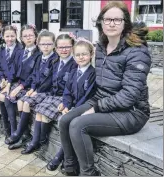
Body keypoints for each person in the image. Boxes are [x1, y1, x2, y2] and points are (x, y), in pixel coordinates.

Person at [58, 1, 151, 176]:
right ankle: (70, 166)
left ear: (125, 23)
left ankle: (88, 173)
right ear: (101, 22)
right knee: (65, 120)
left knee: (78, 125)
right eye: (107, 19)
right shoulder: (101, 46)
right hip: (103, 99)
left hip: (131, 112)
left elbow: (128, 96)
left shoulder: (137, 51)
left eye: (117, 19)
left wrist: (95, 109)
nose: (111, 23)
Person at [20, 34, 77, 154]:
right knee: (39, 111)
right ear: (56, 48)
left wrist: (66, 103)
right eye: (61, 47)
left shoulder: (74, 64)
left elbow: (72, 88)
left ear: (72, 47)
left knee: (44, 114)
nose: (64, 50)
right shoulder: (56, 62)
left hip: (64, 98)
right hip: (53, 94)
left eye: (67, 46)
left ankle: (41, 139)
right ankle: (35, 141)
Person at [46, 37, 97, 171]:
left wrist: (74, 109)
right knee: (65, 120)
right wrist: (67, 105)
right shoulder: (74, 72)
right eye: (78, 55)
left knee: (68, 122)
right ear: (73, 57)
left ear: (91, 54)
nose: (81, 57)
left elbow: (88, 96)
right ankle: (67, 160)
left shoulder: (93, 74)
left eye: (84, 54)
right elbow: (67, 91)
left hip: (85, 108)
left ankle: (65, 159)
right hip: (73, 107)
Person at [5, 29, 58, 149]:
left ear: (54, 45)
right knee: (19, 101)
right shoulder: (40, 58)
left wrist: (37, 91)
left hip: (46, 91)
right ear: (38, 44)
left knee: (27, 104)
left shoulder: (54, 59)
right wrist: (32, 88)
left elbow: (50, 81)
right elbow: (35, 75)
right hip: (37, 89)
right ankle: (24, 134)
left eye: (49, 44)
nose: (45, 47)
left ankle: (22, 135)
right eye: (43, 44)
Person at [3, 24, 41, 147]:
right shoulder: (20, 52)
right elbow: (13, 70)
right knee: (7, 97)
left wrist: (20, 87)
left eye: (31, 35)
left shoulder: (39, 54)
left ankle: (20, 135)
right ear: (21, 38)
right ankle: (16, 132)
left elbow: (34, 75)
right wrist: (8, 83)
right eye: (25, 36)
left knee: (17, 98)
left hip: (31, 86)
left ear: (35, 36)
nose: (28, 38)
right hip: (19, 83)